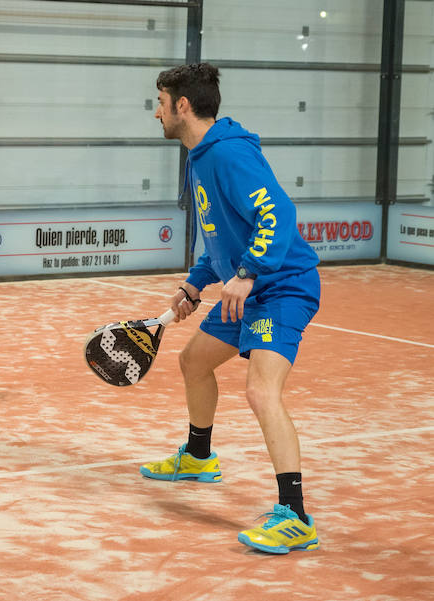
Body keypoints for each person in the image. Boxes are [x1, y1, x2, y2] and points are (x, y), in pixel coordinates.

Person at [141, 63, 321, 554]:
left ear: (182, 105)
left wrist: (247, 274)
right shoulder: (201, 157)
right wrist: (196, 285)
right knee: (193, 361)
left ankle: (296, 514)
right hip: (247, 286)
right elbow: (221, 235)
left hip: (281, 287)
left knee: (261, 392)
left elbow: (277, 214)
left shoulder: (229, 155)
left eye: (159, 102)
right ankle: (199, 456)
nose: (155, 113)